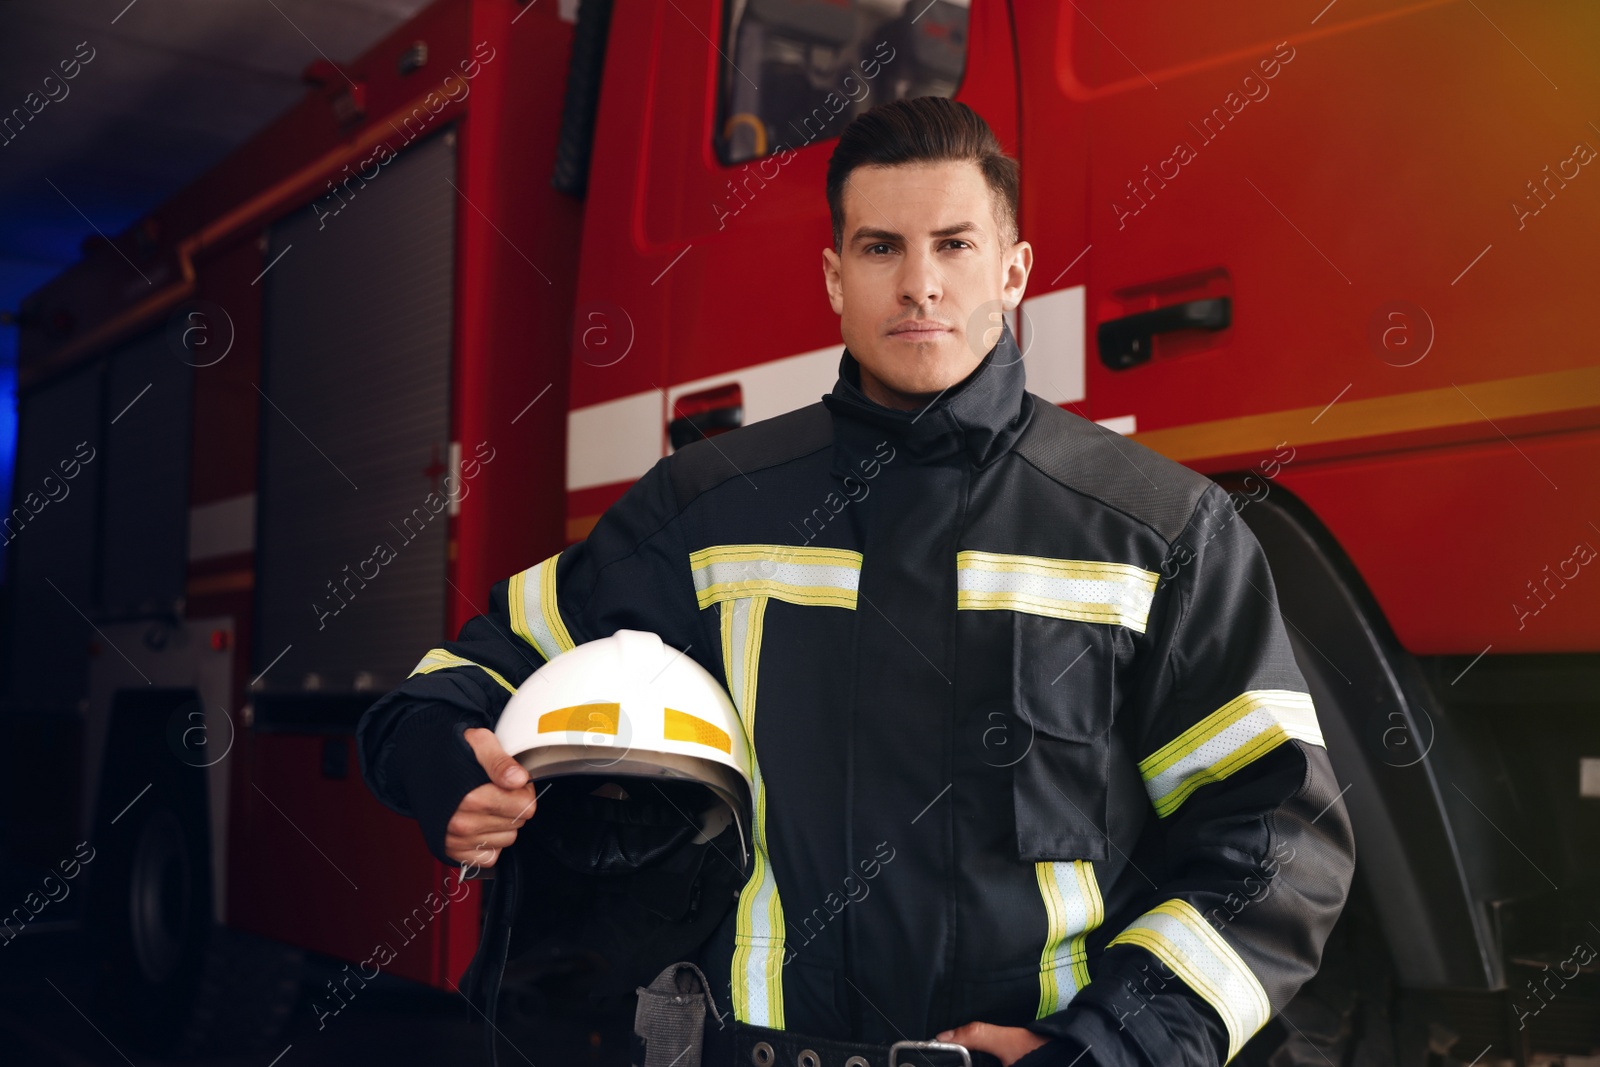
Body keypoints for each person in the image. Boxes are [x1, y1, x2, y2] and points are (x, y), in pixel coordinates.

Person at [357, 96, 1355, 1067]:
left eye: (954, 245)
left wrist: (1112, 1043)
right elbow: (463, 676)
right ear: (835, 277)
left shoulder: (1155, 530)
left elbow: (1274, 839)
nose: (919, 283)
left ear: (1013, 272)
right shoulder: (705, 513)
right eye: (881, 248)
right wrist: (442, 760)